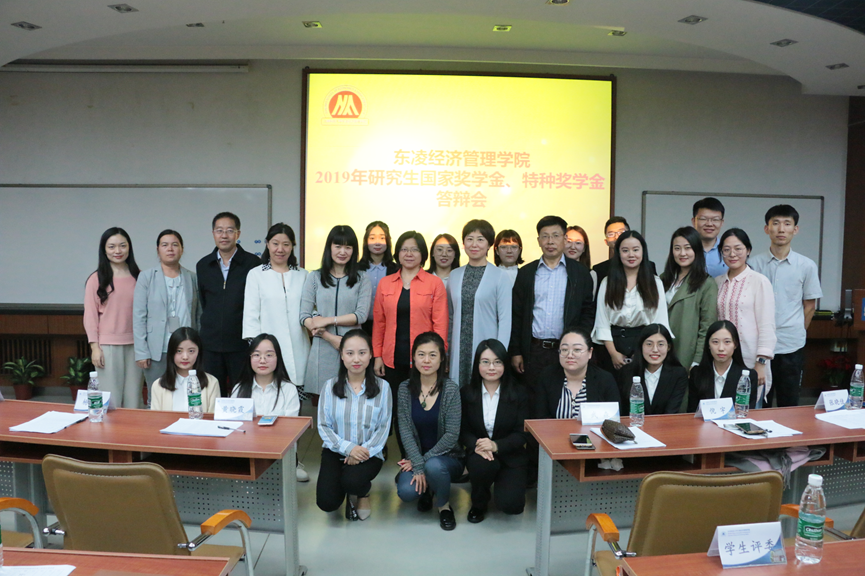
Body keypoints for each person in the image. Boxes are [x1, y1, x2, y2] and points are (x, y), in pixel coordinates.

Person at [509, 215, 595, 390]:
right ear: (538, 240)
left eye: (555, 236)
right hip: (534, 350)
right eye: (545, 236)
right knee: (534, 397)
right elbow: (517, 314)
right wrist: (516, 351)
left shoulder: (580, 273)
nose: (550, 241)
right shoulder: (526, 273)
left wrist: (579, 345)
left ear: (564, 239)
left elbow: (587, 312)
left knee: (565, 394)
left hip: (567, 350)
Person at [750, 205, 822, 407]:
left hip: (791, 345)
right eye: (775, 223)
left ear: (795, 229)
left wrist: (797, 330)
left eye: (787, 224)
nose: (781, 229)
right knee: (759, 402)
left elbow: (810, 306)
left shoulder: (806, 265)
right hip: (759, 346)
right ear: (767, 229)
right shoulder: (753, 265)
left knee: (789, 403)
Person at [317, 329, 391, 521]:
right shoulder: (329, 387)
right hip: (336, 450)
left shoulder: (383, 388)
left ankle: (362, 493)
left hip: (369, 452)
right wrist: (349, 448)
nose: (356, 359)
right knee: (327, 503)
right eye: (350, 353)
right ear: (342, 355)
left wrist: (361, 452)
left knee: (353, 481)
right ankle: (345, 483)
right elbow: (323, 426)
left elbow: (383, 427)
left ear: (370, 354)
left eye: (362, 352)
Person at [396, 332, 463, 531]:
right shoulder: (404, 389)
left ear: (441, 359)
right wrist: (417, 463)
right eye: (421, 354)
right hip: (416, 458)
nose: (426, 360)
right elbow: (405, 430)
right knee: (406, 492)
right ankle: (427, 489)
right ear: (413, 358)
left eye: (433, 355)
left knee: (434, 466)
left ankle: (444, 506)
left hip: (448, 458)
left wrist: (420, 463)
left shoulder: (451, 390)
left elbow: (451, 436)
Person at [373, 230, 448, 408]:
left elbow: (441, 324)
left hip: (424, 359)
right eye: (404, 249)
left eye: (414, 250)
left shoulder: (434, 283)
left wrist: (439, 356)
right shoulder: (385, 283)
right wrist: (377, 356)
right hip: (392, 358)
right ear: (397, 253)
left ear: (423, 254)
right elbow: (379, 323)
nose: (409, 254)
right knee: (395, 407)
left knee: (421, 407)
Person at [460, 339, 529, 523]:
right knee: (481, 465)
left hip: (511, 454)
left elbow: (522, 433)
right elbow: (463, 430)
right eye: (485, 362)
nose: (491, 367)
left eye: (497, 362)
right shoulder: (467, 393)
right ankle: (478, 503)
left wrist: (496, 445)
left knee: (512, 506)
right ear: (477, 365)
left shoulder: (519, 393)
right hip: (480, 453)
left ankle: (503, 484)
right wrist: (478, 445)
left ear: (505, 364)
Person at [300, 225, 371, 398]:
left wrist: (327, 320)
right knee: (324, 401)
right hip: (322, 348)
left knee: (353, 398)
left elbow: (361, 315)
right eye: (338, 246)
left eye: (348, 247)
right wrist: (329, 337)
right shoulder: (314, 277)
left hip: (353, 349)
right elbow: (304, 316)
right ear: (329, 247)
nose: (342, 252)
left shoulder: (362, 278)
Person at [243, 223, 310, 399]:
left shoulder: (303, 275)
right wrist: (257, 351)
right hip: (267, 350)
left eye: (286, 244)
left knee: (295, 401)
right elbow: (250, 316)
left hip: (299, 346)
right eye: (275, 243)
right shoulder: (256, 274)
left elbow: (311, 310)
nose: (280, 249)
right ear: (267, 244)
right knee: (268, 398)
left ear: (292, 246)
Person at [197, 212, 261, 395]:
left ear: (238, 234)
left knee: (242, 395)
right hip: (210, 345)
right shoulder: (203, 265)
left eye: (229, 230)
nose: (224, 235)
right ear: (213, 234)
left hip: (241, 344)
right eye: (219, 230)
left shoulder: (253, 264)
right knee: (212, 395)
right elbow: (204, 302)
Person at [592, 231, 670, 371]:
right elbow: (602, 322)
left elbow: (659, 321)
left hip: (645, 344)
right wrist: (613, 354)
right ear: (618, 253)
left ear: (643, 252)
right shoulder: (607, 282)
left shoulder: (655, 282)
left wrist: (643, 351)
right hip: (612, 345)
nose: (631, 255)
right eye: (625, 250)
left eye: (635, 250)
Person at [447, 219, 512, 388]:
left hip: (488, 348)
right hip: (458, 348)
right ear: (463, 243)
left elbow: (505, 320)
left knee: (482, 390)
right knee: (457, 390)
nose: (474, 244)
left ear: (489, 244)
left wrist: (498, 355)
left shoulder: (500, 276)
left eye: (480, 239)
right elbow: (450, 316)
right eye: (469, 239)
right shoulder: (454, 275)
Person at [133, 229, 200, 389]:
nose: (170, 249)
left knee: (186, 391)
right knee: (157, 393)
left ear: (182, 249)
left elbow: (198, 314)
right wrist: (142, 352)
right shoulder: (146, 277)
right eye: (165, 245)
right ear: (158, 250)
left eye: (175, 245)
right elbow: (139, 316)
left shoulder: (192, 277)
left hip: (186, 348)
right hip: (157, 349)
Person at [84, 227, 142, 408]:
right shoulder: (96, 279)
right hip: (107, 346)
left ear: (129, 247)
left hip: (136, 345)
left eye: (122, 246)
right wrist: (95, 347)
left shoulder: (140, 277)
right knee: (111, 400)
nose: (118, 251)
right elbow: (90, 316)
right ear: (104, 249)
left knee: (134, 399)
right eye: (112, 247)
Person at [716, 228, 776, 404]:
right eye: (726, 250)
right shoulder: (717, 282)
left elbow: (767, 325)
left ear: (748, 250)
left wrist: (761, 363)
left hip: (751, 359)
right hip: (723, 360)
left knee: (749, 409)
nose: (732, 254)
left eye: (738, 249)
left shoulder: (759, 281)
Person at [660, 226, 718, 370]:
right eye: (677, 248)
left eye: (688, 248)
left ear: (696, 250)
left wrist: (697, 360)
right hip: (659, 350)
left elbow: (707, 326)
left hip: (686, 352)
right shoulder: (663, 279)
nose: (682, 253)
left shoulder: (706, 283)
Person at [535, 327, 619, 420]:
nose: (570, 355)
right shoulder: (547, 376)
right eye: (564, 349)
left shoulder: (604, 379)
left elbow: (614, 420)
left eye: (577, 350)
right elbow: (540, 418)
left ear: (590, 352)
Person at [615, 324, 687, 416]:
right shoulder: (626, 372)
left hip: (666, 424)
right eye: (649, 344)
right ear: (641, 346)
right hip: (633, 424)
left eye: (660, 344)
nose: (655, 350)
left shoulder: (678, 374)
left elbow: (671, 411)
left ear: (668, 347)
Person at [687, 320, 759, 411]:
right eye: (715, 342)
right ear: (708, 345)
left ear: (735, 344)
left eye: (727, 342)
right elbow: (692, 411)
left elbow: (748, 412)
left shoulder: (748, 376)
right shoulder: (697, 373)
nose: (721, 348)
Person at [150, 327, 221, 412]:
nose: (185, 357)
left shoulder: (212, 383)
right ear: (171, 353)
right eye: (179, 351)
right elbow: (156, 418)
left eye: (191, 351)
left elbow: (213, 417)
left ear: (199, 352)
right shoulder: (158, 385)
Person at [231, 333, 300, 417]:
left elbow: (291, 424)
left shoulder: (289, 389)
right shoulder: (239, 389)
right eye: (257, 355)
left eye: (269, 355)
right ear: (250, 358)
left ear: (278, 358)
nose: (262, 361)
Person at [592, 217, 656, 297]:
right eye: (611, 234)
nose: (617, 237)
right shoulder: (599, 270)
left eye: (621, 232)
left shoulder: (649, 266)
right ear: (606, 241)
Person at [358, 221, 398, 335]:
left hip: (388, 325)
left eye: (382, 238)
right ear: (366, 241)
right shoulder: (356, 269)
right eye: (372, 238)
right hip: (360, 325)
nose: (377, 242)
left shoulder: (396, 270)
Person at [691, 197, 728, 277]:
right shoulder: (684, 250)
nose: (709, 224)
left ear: (722, 222)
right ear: (694, 221)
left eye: (715, 219)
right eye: (703, 219)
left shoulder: (729, 251)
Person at [565, 225, 597, 294]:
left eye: (578, 243)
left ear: (584, 248)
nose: (573, 247)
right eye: (569, 241)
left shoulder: (591, 274)